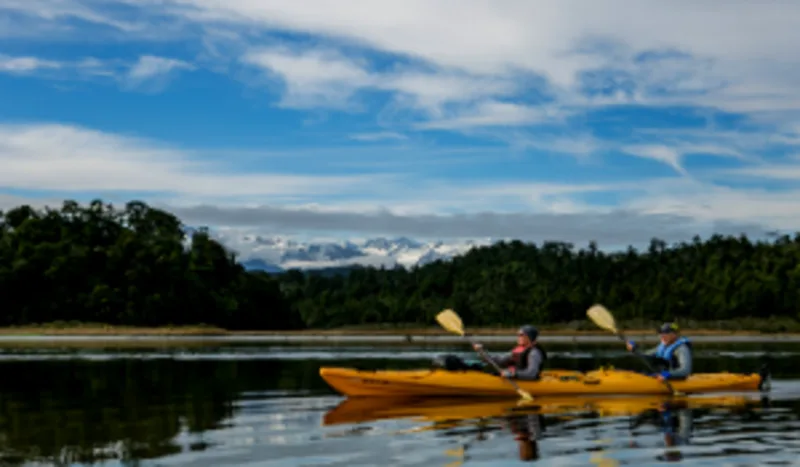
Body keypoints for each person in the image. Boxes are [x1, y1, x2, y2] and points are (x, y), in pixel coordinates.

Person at [472, 325, 547, 380]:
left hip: (526, 381)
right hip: (513, 377)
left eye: (521, 335)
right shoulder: (519, 350)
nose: (518, 337)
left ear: (530, 337)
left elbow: (531, 374)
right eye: (518, 335)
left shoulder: (534, 353)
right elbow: (500, 360)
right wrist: (482, 352)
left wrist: (513, 374)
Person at [626, 322, 693, 382]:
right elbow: (645, 355)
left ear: (674, 334)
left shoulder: (682, 349)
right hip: (662, 376)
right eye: (661, 333)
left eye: (666, 333)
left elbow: (685, 370)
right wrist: (634, 349)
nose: (662, 336)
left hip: (676, 378)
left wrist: (667, 374)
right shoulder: (662, 346)